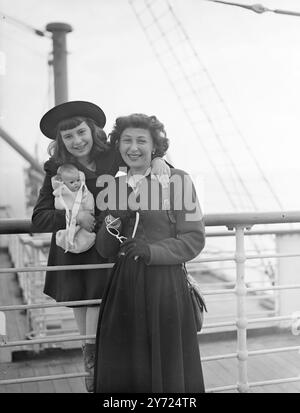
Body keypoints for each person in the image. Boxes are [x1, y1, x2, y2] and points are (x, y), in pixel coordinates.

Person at [31, 101, 170, 392]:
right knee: (89, 332)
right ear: (61, 141)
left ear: (93, 131)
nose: (77, 141)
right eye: (68, 136)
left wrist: (160, 161)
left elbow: (141, 161)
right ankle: (95, 379)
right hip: (76, 256)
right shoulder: (57, 170)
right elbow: (39, 218)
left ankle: (107, 379)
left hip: (110, 251)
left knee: (110, 327)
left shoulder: (112, 158)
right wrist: (73, 215)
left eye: (81, 132)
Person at [94, 113, 206, 393]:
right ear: (118, 146)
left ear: (155, 146)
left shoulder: (177, 180)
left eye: (141, 141)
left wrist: (151, 250)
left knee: (166, 372)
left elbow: (193, 238)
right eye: (126, 140)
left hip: (164, 287)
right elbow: (105, 249)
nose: (134, 147)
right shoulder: (115, 186)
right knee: (126, 371)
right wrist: (116, 217)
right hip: (123, 288)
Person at [52, 163, 96, 254]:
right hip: (69, 222)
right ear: (63, 183)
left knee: (83, 232)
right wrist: (75, 215)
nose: (76, 184)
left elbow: (89, 201)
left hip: (84, 223)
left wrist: (87, 210)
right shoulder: (61, 193)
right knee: (68, 232)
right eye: (71, 182)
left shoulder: (83, 191)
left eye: (78, 180)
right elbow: (58, 205)